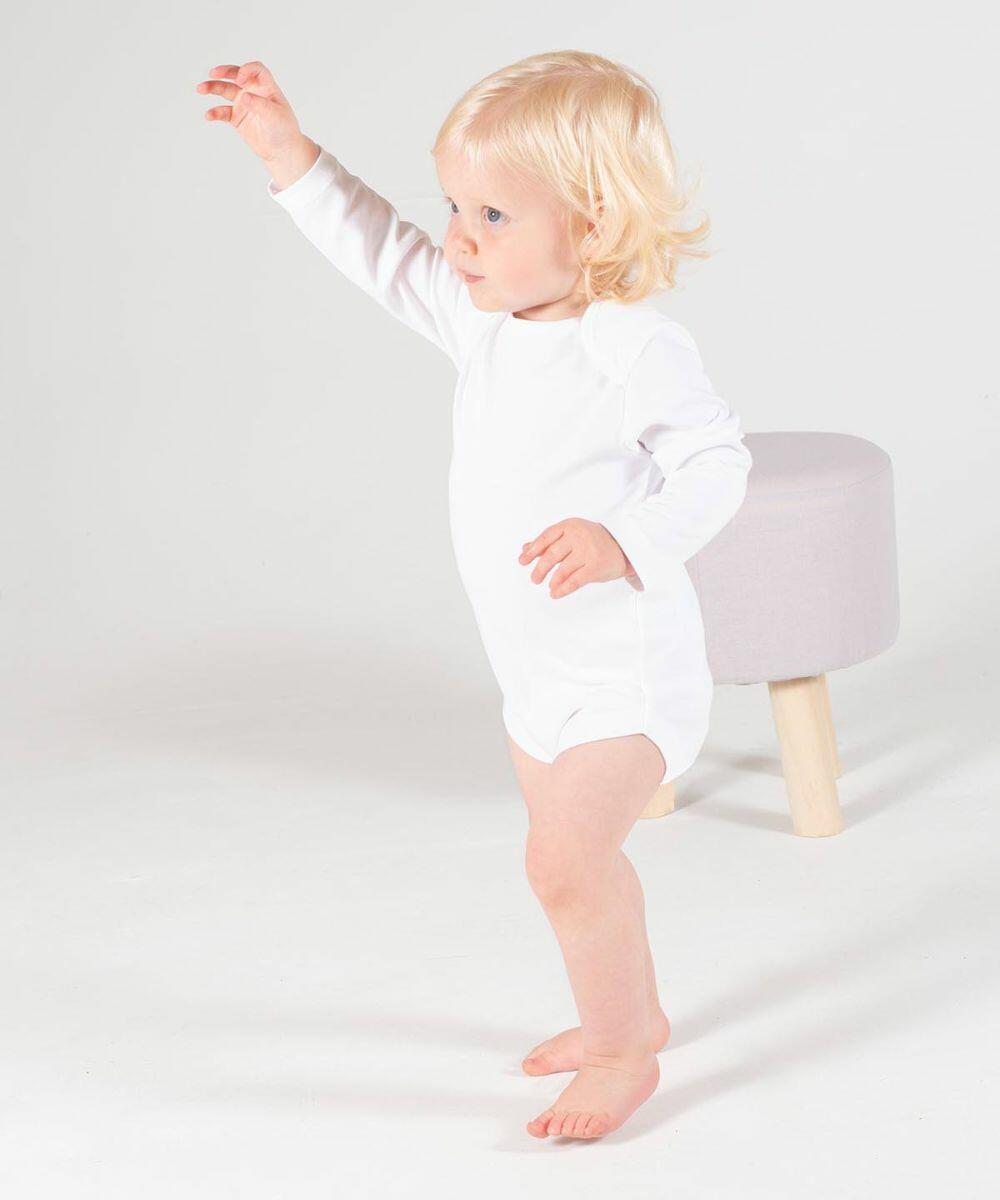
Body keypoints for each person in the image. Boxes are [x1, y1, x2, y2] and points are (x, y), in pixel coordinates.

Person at [196, 50, 752, 1140]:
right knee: (575, 872)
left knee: (561, 863)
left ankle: (622, 1047)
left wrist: (623, 537)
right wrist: (287, 155)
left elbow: (718, 462)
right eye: (455, 204)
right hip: (535, 678)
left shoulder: (629, 345)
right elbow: (381, 252)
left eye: (492, 214)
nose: (457, 236)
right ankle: (626, 1011)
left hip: (619, 676)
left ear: (589, 228)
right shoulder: (486, 322)